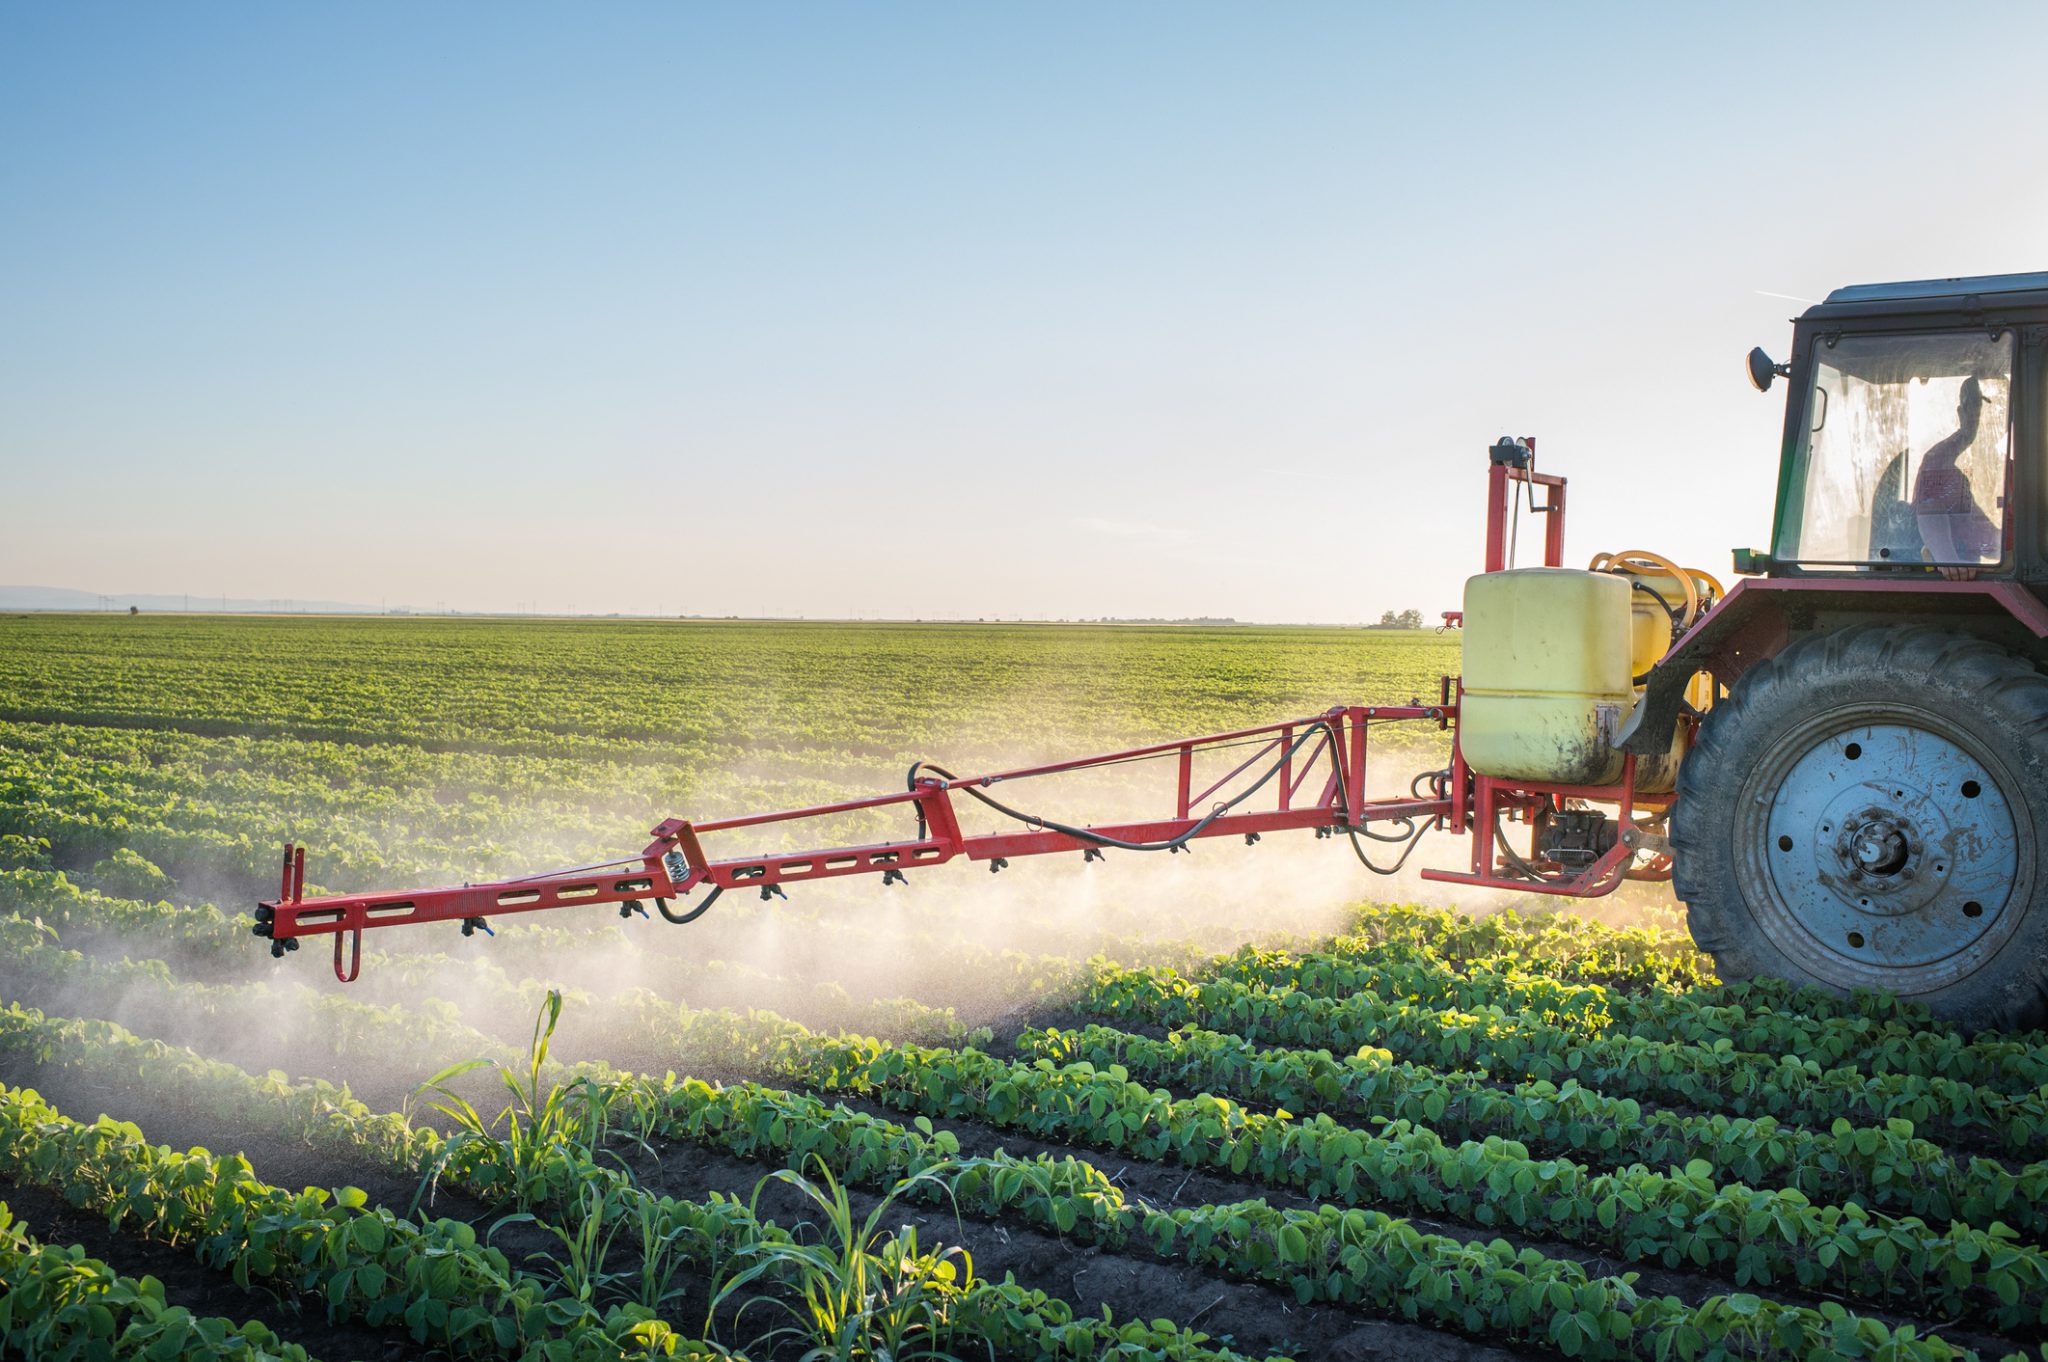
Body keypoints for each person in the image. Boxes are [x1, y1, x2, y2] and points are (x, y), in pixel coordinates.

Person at [1912, 376, 2000, 579]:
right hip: (1948, 580)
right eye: (1973, 410)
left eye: (1980, 411)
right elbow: (1928, 508)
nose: (1977, 418)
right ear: (1960, 413)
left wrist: (2012, 539)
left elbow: (1986, 539)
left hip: (1967, 575)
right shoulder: (1936, 460)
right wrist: (1949, 560)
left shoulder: (1957, 479)